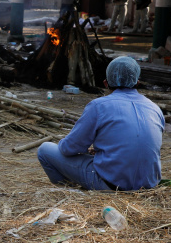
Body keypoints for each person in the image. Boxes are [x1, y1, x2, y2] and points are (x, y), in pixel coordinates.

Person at [37, 57, 164, 191]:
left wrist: (80, 148)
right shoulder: (155, 108)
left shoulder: (98, 106)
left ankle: (69, 193)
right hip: (148, 186)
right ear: (137, 82)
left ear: (105, 83)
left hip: (111, 185)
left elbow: (69, 148)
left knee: (45, 150)